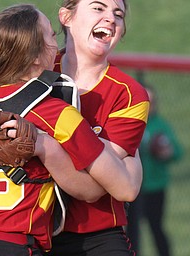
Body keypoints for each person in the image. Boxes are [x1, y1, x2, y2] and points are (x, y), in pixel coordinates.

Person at [0, 4, 136, 256]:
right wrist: (48, 147)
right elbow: (93, 190)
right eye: (50, 35)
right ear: (36, 56)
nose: (55, 42)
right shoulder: (55, 111)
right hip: (4, 243)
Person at [44, 0, 149, 255]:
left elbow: (102, 180)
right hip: (31, 227)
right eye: (98, 8)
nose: (111, 19)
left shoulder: (129, 94)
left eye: (118, 14)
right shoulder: (36, 72)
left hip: (96, 235)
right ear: (66, 17)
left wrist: (43, 142)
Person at [127, 86, 183, 256]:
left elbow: (178, 152)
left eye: (152, 103)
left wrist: (167, 152)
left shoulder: (160, 125)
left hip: (155, 186)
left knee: (156, 226)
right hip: (132, 188)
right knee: (132, 230)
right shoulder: (129, 123)